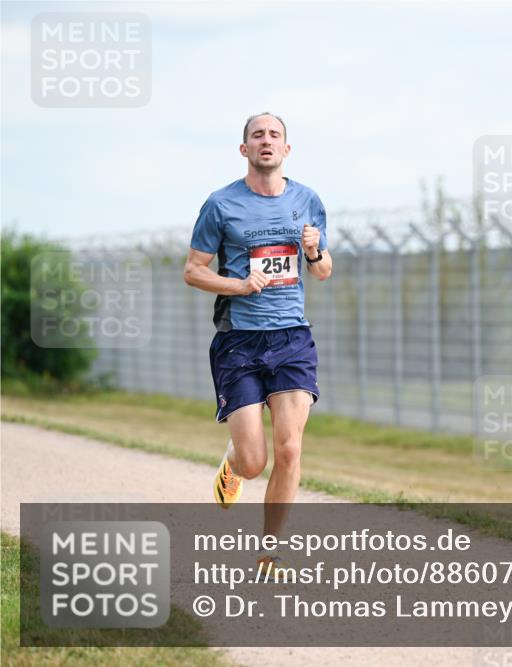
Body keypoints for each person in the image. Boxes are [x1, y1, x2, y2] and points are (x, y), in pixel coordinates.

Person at [183, 112, 333, 570]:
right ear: (244, 149)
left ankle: (270, 548)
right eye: (257, 135)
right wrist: (240, 285)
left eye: (274, 135)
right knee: (254, 462)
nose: (266, 140)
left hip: (292, 338)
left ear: (286, 149)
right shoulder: (221, 204)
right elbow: (193, 271)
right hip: (239, 342)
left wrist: (314, 251)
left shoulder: (307, 200)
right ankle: (234, 463)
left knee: (289, 449)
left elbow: (323, 271)